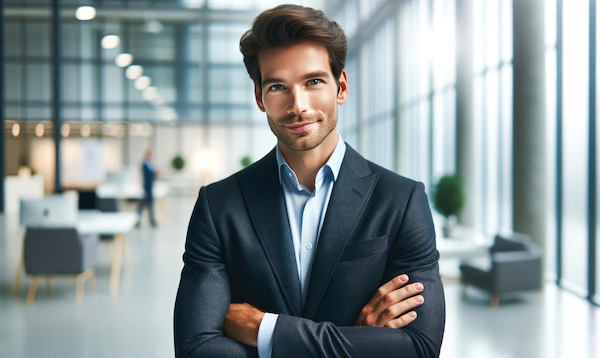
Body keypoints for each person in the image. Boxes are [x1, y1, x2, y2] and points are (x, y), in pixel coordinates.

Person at [174, 4, 445, 357]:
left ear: (341, 87)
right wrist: (356, 339)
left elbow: (419, 348)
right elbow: (197, 349)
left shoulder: (401, 200)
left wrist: (264, 329)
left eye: (313, 81)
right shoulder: (219, 205)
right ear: (260, 97)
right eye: (277, 87)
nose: (297, 105)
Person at [137, 148, 157, 227]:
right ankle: (138, 220)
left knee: (147, 205)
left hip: (150, 187)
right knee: (143, 206)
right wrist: (155, 173)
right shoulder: (145, 164)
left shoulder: (151, 163)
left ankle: (151, 221)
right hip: (147, 188)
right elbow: (148, 175)